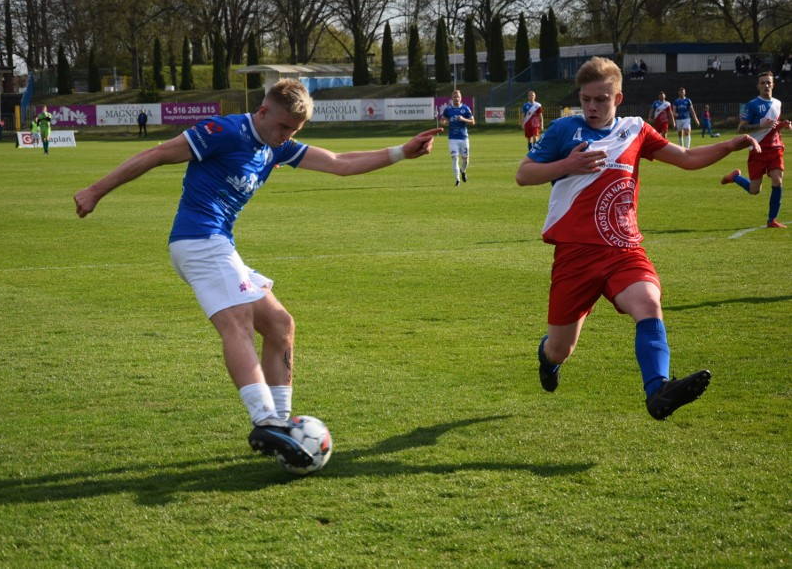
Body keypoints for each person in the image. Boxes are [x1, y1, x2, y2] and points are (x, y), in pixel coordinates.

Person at [74, 79, 441, 468]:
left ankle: (280, 424)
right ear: (263, 111)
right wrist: (96, 191)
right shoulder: (224, 131)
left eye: (294, 132)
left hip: (220, 245)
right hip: (198, 242)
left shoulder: (276, 146)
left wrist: (402, 151)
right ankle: (265, 419)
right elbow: (156, 154)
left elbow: (339, 163)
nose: (286, 137)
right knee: (239, 323)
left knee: (280, 324)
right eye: (283, 127)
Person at [515, 56, 759, 420]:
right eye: (586, 99)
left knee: (648, 303)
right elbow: (524, 174)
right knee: (561, 349)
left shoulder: (636, 129)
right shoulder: (565, 130)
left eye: (601, 99)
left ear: (618, 97)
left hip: (623, 249)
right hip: (575, 255)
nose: (592, 107)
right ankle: (548, 360)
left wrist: (731, 145)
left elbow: (687, 157)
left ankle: (658, 389)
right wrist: (568, 165)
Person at [721, 71, 792, 229]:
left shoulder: (778, 103)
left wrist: (784, 125)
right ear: (758, 86)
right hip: (758, 149)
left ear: (773, 84)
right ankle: (736, 177)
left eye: (768, 82)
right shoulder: (752, 105)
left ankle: (771, 220)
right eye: (762, 83)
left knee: (777, 180)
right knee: (754, 190)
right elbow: (741, 128)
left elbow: (773, 126)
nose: (766, 85)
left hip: (775, 148)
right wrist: (760, 125)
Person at [439, 90, 474, 186]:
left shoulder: (466, 109)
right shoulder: (448, 109)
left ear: (461, 98)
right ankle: (457, 180)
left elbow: (472, 122)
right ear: (452, 98)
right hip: (452, 138)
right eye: (455, 97)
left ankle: (463, 171)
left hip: (463, 138)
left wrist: (463, 119)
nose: (456, 98)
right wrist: (444, 122)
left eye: (458, 96)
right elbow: (442, 119)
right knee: (454, 158)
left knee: (465, 160)